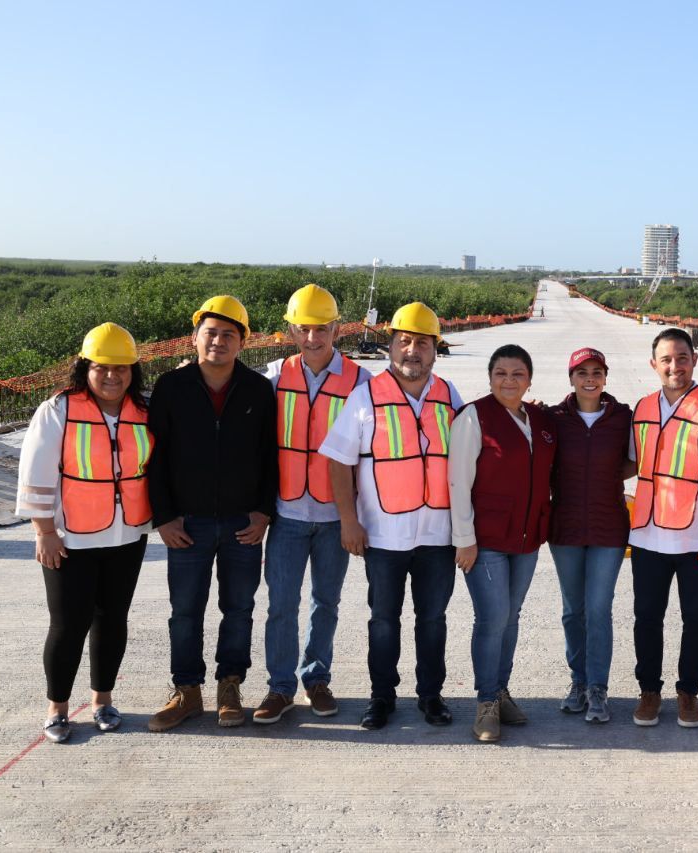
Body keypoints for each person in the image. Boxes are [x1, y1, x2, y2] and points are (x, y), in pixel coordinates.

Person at [320, 302, 462, 731]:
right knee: (383, 621)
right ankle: (381, 697)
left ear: (436, 350)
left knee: (433, 620)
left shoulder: (450, 395)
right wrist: (349, 521)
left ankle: (430, 696)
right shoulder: (366, 397)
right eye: (404, 341)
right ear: (391, 347)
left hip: (438, 535)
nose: (412, 351)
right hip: (383, 536)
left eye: (422, 343)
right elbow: (338, 461)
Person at [146, 295, 278, 731]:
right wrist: (163, 516)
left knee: (239, 609)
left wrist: (262, 512)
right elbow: (156, 457)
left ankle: (230, 686)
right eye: (210, 333)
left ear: (243, 341)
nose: (218, 341)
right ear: (195, 337)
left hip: (243, 523)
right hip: (187, 523)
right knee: (185, 610)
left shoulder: (258, 390)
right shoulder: (171, 387)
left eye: (228, 334)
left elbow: (269, 455)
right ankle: (187, 690)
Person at [16, 323, 153, 742]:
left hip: (126, 535)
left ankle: (102, 701)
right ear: (84, 368)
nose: (112, 377)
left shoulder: (143, 412)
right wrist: (44, 531)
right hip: (70, 538)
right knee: (68, 624)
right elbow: (36, 472)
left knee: (112, 620)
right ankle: (57, 708)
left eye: (121, 369)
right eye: (101, 368)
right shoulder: (57, 410)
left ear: (133, 371)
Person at [252, 284, 368, 725]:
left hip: (335, 515)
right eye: (304, 329)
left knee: (326, 602)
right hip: (286, 514)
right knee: (281, 602)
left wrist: (355, 517)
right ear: (291, 331)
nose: (313, 338)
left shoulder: (361, 381)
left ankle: (316, 679)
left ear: (337, 329)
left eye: (322, 329)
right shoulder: (276, 377)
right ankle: (280, 688)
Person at [628, 328, 698, 728]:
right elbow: (629, 463)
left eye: (681, 358)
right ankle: (649, 691)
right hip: (646, 536)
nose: (674, 366)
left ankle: (688, 693)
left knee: (696, 618)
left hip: (697, 536)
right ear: (653, 364)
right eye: (666, 359)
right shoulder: (641, 409)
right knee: (646, 617)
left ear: (695, 360)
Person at [449, 344, 557, 742]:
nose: (508, 381)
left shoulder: (541, 420)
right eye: (500, 373)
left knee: (511, 618)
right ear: (490, 377)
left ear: (529, 380)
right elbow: (458, 481)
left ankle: (501, 690)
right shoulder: (474, 417)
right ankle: (485, 704)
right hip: (486, 540)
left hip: (527, 539)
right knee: (491, 619)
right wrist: (464, 539)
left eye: (517, 374)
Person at [545, 347, 633, 724]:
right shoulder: (552, 418)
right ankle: (577, 682)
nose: (590, 379)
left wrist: (610, 478)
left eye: (596, 371)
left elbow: (636, 458)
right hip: (564, 527)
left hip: (608, 527)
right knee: (572, 611)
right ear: (571, 378)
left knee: (598, 609)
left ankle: (598, 687)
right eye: (582, 372)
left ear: (605, 377)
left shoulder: (623, 417)